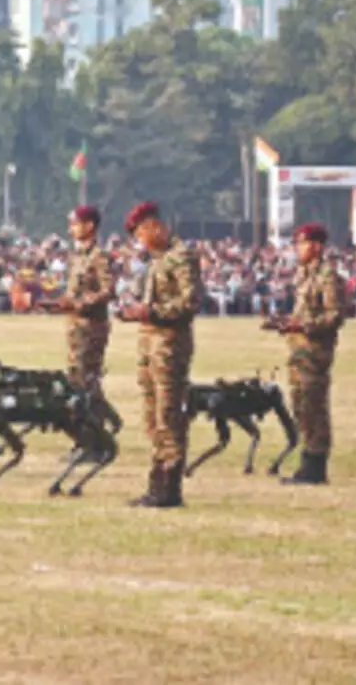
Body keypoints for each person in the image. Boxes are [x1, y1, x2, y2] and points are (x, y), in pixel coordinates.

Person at [118, 201, 201, 508]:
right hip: (151, 345)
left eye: (141, 231)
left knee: (168, 414)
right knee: (152, 417)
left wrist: (152, 311)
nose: (139, 239)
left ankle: (170, 485)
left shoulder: (181, 257)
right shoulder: (157, 260)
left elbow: (190, 303)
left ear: (155, 227)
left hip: (170, 345)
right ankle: (157, 482)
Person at [267, 223, 345, 485]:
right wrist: (284, 322)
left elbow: (334, 316)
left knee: (314, 407)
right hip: (299, 351)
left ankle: (315, 466)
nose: (298, 249)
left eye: (301, 243)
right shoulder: (304, 275)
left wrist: (302, 325)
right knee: (301, 405)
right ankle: (307, 461)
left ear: (316, 246)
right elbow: (305, 312)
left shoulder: (327, 276)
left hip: (315, 352)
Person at [44, 205, 115, 422]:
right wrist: (60, 304)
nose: (70, 229)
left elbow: (107, 290)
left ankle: (97, 429)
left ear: (89, 226)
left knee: (86, 380)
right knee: (76, 378)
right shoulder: (77, 256)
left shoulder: (99, 256)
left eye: (75, 224)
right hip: (76, 326)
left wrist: (79, 304)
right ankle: (92, 427)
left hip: (92, 326)